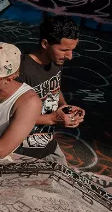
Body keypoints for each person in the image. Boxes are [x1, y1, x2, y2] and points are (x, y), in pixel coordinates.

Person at [16, 16, 83, 162]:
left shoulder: (56, 61)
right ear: (45, 43)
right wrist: (53, 119)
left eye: (72, 50)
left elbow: (55, 88)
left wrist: (64, 106)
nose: (70, 56)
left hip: (48, 145)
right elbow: (12, 115)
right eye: (64, 50)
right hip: (21, 151)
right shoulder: (22, 70)